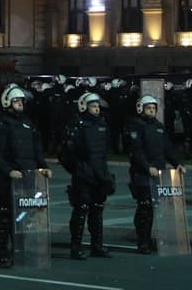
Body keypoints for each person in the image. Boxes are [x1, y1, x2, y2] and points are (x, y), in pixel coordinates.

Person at [0, 84, 51, 267]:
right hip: (9, 178)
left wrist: (44, 167)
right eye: (16, 101)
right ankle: (3, 253)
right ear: (7, 102)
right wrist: (8, 171)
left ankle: (21, 251)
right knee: (6, 215)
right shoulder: (2, 123)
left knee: (25, 215)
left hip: (27, 176)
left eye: (21, 101)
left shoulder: (28, 123)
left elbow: (36, 150)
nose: (20, 104)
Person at [124, 93, 183, 253]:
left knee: (152, 207)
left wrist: (177, 164)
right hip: (142, 173)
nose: (151, 111)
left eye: (153, 108)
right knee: (144, 206)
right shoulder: (135, 125)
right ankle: (142, 241)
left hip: (159, 172)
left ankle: (149, 239)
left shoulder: (158, 126)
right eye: (148, 108)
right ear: (141, 109)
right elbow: (136, 150)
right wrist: (146, 166)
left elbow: (167, 148)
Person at [59, 91, 114, 260]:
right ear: (84, 106)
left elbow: (104, 152)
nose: (97, 109)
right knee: (81, 210)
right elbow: (65, 154)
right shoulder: (76, 125)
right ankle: (76, 247)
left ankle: (97, 246)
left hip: (99, 173)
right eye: (93, 106)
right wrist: (77, 169)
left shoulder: (102, 124)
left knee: (97, 210)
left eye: (97, 106)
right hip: (83, 175)